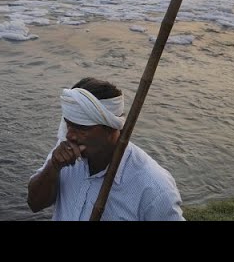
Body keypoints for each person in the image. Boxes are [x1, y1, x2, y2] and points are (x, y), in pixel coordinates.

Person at [27, 77, 184, 221]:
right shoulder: (64, 154)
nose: (70, 135)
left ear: (111, 127)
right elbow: (35, 204)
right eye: (68, 124)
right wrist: (53, 167)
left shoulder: (154, 188)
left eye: (81, 128)